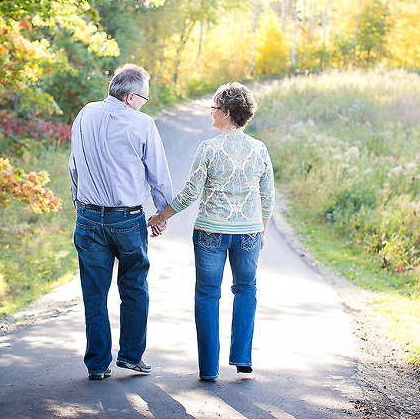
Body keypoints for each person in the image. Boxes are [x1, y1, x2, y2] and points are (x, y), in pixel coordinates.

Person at [148, 82, 275, 382]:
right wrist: (263, 231)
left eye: (214, 108)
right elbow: (267, 196)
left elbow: (191, 192)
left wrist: (161, 216)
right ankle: (242, 359)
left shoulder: (209, 148)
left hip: (210, 232)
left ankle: (209, 369)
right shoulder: (259, 149)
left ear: (227, 113)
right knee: (246, 291)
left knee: (207, 295)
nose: (211, 113)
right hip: (248, 232)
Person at [69, 63, 172, 381]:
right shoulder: (142, 124)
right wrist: (162, 213)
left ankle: (97, 365)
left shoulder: (85, 114)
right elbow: (158, 173)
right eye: (145, 97)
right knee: (134, 287)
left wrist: (80, 207)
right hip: (127, 220)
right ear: (130, 97)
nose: (145, 103)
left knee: (94, 293)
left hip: (88, 217)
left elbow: (74, 166)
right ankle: (130, 356)